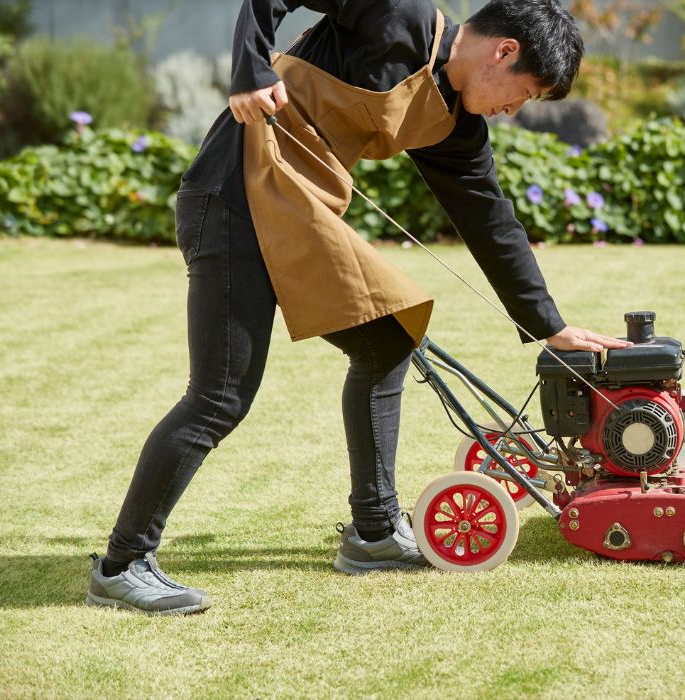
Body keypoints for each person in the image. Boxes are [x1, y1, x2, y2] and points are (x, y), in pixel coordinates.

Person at [86, 0, 630, 616]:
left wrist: (551, 328)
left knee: (387, 340)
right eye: (523, 92)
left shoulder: (455, 123)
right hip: (230, 202)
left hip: (294, 218)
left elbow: (490, 222)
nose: (514, 110)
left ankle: (373, 533)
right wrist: (250, 70)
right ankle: (122, 564)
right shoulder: (400, 13)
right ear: (503, 51)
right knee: (219, 397)